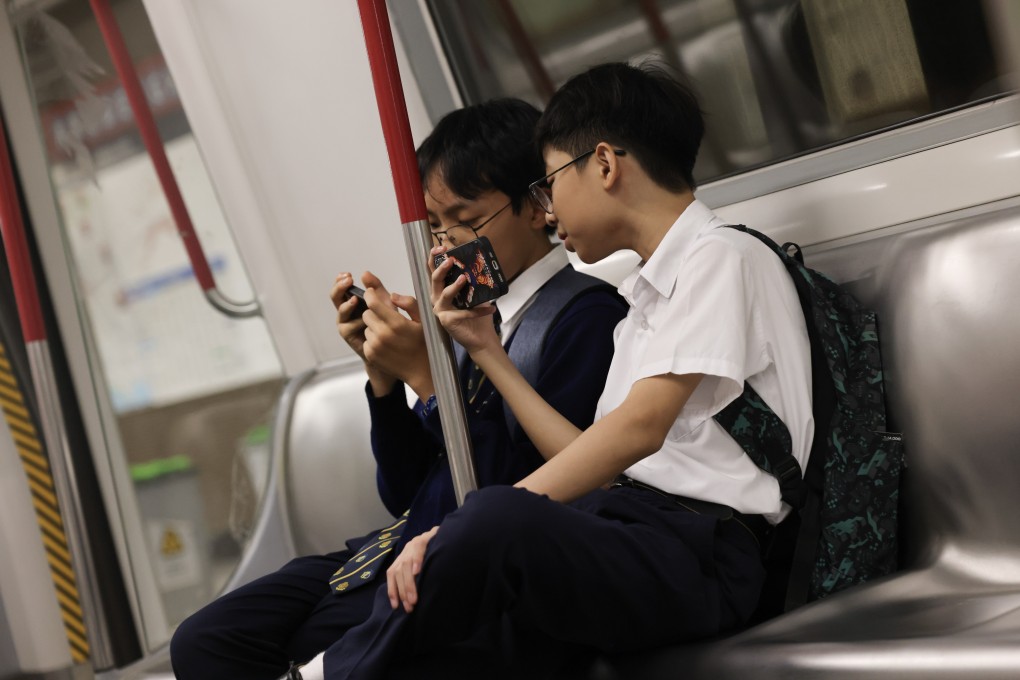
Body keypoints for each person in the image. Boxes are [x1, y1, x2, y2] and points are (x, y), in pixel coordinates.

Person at [322, 62, 815, 679]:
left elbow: (638, 430)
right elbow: (593, 461)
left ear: (605, 165)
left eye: (552, 180)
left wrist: (466, 528)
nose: (547, 207)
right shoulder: (646, 295)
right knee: (464, 648)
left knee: (493, 521)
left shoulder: (721, 256)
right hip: (631, 528)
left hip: (705, 553)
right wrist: (486, 350)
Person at [168, 98, 626, 680]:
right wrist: (383, 378)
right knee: (206, 641)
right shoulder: (463, 320)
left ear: (537, 206)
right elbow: (405, 489)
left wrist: (429, 381)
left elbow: (516, 498)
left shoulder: (584, 320)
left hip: (464, 573)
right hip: (389, 548)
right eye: (435, 227)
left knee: (305, 643)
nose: (444, 245)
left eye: (465, 221)